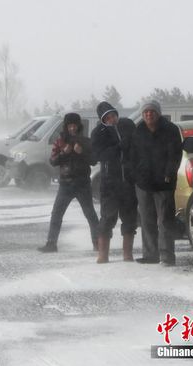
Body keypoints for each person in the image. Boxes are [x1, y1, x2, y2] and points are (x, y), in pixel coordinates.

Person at [130, 100, 182, 266]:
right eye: (145, 112)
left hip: (164, 183)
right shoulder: (138, 131)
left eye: (152, 111)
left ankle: (167, 256)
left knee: (165, 220)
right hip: (143, 183)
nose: (149, 114)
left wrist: (169, 172)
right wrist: (135, 175)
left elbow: (175, 154)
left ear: (158, 113)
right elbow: (132, 155)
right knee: (146, 219)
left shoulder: (170, 130)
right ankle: (150, 254)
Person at [38, 113, 99, 253]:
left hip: (82, 184)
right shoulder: (59, 142)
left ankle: (97, 243)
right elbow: (53, 161)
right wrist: (64, 153)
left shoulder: (85, 141)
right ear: (65, 126)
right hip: (65, 184)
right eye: (69, 125)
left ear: (79, 126)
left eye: (74, 125)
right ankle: (51, 244)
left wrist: (81, 152)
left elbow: (94, 160)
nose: (72, 128)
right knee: (57, 214)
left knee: (90, 214)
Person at [91, 101, 138, 263]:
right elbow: (99, 155)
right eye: (107, 117)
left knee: (130, 219)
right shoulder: (99, 132)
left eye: (113, 115)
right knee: (107, 218)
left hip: (128, 182)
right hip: (109, 183)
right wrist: (118, 147)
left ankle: (128, 254)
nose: (112, 119)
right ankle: (103, 254)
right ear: (102, 119)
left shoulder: (127, 125)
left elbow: (137, 147)